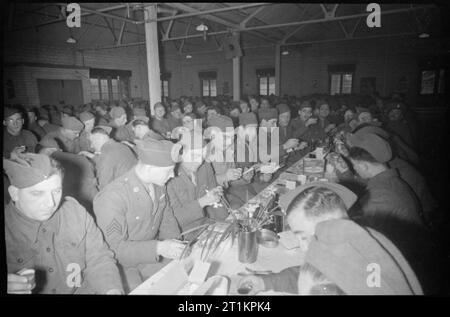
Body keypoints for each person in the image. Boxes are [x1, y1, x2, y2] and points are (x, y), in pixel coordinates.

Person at [237, 183, 422, 295]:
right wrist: (266, 282)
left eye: (303, 236)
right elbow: (321, 273)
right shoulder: (356, 242)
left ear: (329, 224)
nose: (303, 247)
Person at [4, 153, 123, 294]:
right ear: (14, 193)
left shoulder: (75, 212)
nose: (50, 203)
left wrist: (111, 289)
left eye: (56, 191)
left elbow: (98, 257)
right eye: (37, 193)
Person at [93, 138, 184, 293]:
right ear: (149, 168)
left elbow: (167, 219)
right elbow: (114, 249)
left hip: (150, 254)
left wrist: (176, 246)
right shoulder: (112, 197)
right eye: (169, 170)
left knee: (183, 278)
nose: (173, 175)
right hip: (122, 265)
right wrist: (159, 247)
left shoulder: (158, 185)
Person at [346, 132, 423, 225]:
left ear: (364, 166)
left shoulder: (379, 198)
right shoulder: (393, 179)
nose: (354, 168)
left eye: (354, 165)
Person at [167, 131, 228, 232]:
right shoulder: (169, 177)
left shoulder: (205, 166)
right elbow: (173, 220)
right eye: (195, 156)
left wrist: (227, 222)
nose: (199, 161)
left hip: (205, 225)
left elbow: (216, 202)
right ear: (181, 154)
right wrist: (202, 202)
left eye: (202, 156)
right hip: (181, 233)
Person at [206, 114, 257, 209]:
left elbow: (231, 182)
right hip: (210, 201)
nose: (230, 142)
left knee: (255, 204)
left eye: (232, 137)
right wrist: (225, 176)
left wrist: (244, 178)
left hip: (226, 193)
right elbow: (204, 185)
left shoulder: (228, 150)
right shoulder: (205, 155)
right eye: (225, 137)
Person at [38, 137, 98, 212]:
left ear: (46, 150)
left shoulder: (49, 165)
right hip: (94, 198)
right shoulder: (80, 158)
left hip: (75, 205)